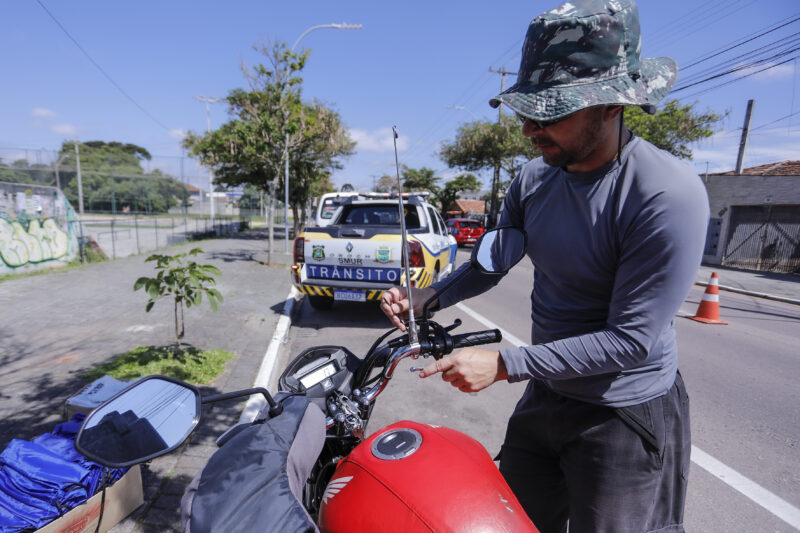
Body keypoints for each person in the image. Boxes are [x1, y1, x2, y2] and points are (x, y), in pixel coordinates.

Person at [380, 1, 709, 531]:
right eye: (527, 112)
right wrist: (429, 296)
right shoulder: (533, 180)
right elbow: (493, 263)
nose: (531, 128)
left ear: (610, 106)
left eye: (551, 112)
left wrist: (507, 364)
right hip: (547, 396)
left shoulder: (664, 194)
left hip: (622, 411)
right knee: (512, 520)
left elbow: (630, 341)